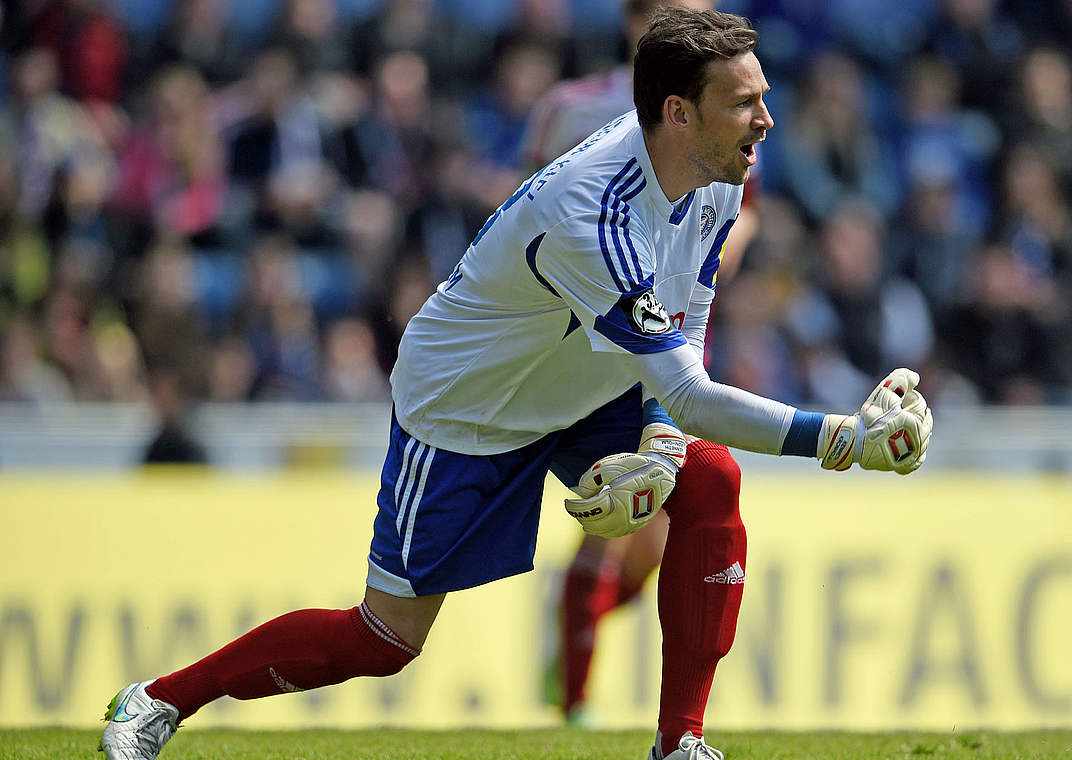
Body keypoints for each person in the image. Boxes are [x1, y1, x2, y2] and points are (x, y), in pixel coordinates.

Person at [98, 9, 933, 760]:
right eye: (745, 101)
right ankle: (159, 700)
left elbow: (690, 320)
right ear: (678, 111)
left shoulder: (723, 174)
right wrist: (842, 441)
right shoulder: (592, 213)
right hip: (470, 407)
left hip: (584, 379)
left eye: (763, 96)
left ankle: (681, 743)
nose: (767, 119)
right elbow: (690, 390)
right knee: (385, 640)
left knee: (712, 479)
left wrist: (666, 444)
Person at [520, 0, 762, 726]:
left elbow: (743, 207)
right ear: (637, 22)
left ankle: (572, 652)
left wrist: (710, 259)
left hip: (679, 317)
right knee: (627, 506)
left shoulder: (725, 113)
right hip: (594, 329)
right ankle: (576, 702)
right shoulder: (569, 109)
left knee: (652, 525)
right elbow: (532, 204)